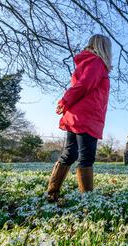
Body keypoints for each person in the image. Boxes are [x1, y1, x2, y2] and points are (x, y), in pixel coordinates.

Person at [46, 34, 112, 202]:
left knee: (69, 153)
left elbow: (80, 84)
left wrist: (65, 102)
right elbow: (84, 85)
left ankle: (52, 193)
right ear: (104, 47)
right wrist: (65, 100)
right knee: (86, 156)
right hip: (87, 117)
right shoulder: (97, 63)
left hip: (75, 115)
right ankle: (87, 199)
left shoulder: (87, 62)